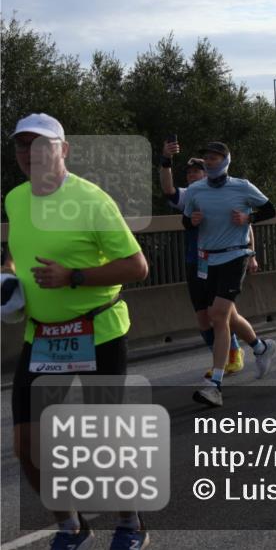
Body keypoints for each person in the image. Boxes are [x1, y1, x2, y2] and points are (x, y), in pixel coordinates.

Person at [5, 113, 151, 548]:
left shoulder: (93, 200)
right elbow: (18, 252)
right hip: (42, 337)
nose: (30, 154)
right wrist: (7, 276)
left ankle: (130, 523)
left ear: (63, 150)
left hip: (97, 331)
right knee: (26, 445)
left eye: (40, 145)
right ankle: (70, 525)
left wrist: (73, 276)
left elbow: (137, 266)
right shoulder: (15, 199)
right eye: (21, 145)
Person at [182, 141, 276, 407]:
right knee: (229, 315)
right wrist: (193, 222)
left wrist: (249, 220)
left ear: (225, 160)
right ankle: (261, 347)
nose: (210, 162)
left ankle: (215, 385)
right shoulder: (195, 190)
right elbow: (186, 220)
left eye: (214, 158)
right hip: (207, 260)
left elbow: (270, 210)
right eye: (207, 158)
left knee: (218, 316)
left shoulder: (242, 186)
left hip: (235, 255)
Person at [159, 140, 252, 377]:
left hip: (223, 258)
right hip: (196, 261)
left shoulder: (229, 190)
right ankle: (246, 350)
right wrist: (166, 160)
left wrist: (252, 255)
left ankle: (232, 356)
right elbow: (168, 189)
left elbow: (245, 224)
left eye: (196, 171)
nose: (192, 176)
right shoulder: (191, 194)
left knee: (221, 315)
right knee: (204, 318)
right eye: (188, 172)